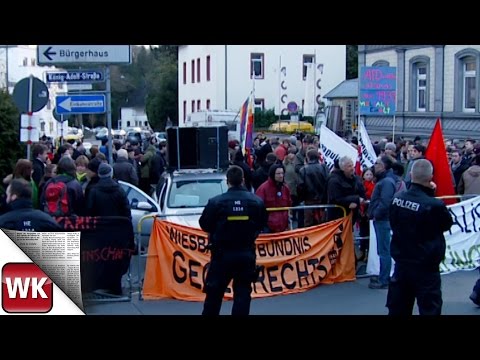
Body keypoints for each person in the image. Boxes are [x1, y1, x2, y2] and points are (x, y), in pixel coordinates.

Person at [199, 165, 268, 315]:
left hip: (222, 256)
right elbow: (262, 223)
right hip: (245, 254)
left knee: (214, 296)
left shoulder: (216, 202)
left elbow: (204, 224)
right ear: (243, 180)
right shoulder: (256, 202)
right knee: (242, 295)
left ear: (227, 181)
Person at [387, 159, 453, 315]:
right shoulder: (434, 205)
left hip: (402, 262)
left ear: (411, 175)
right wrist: (431, 194)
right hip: (426, 265)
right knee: (430, 309)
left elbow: (393, 221)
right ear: (431, 178)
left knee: (398, 308)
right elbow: (446, 224)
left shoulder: (397, 199)